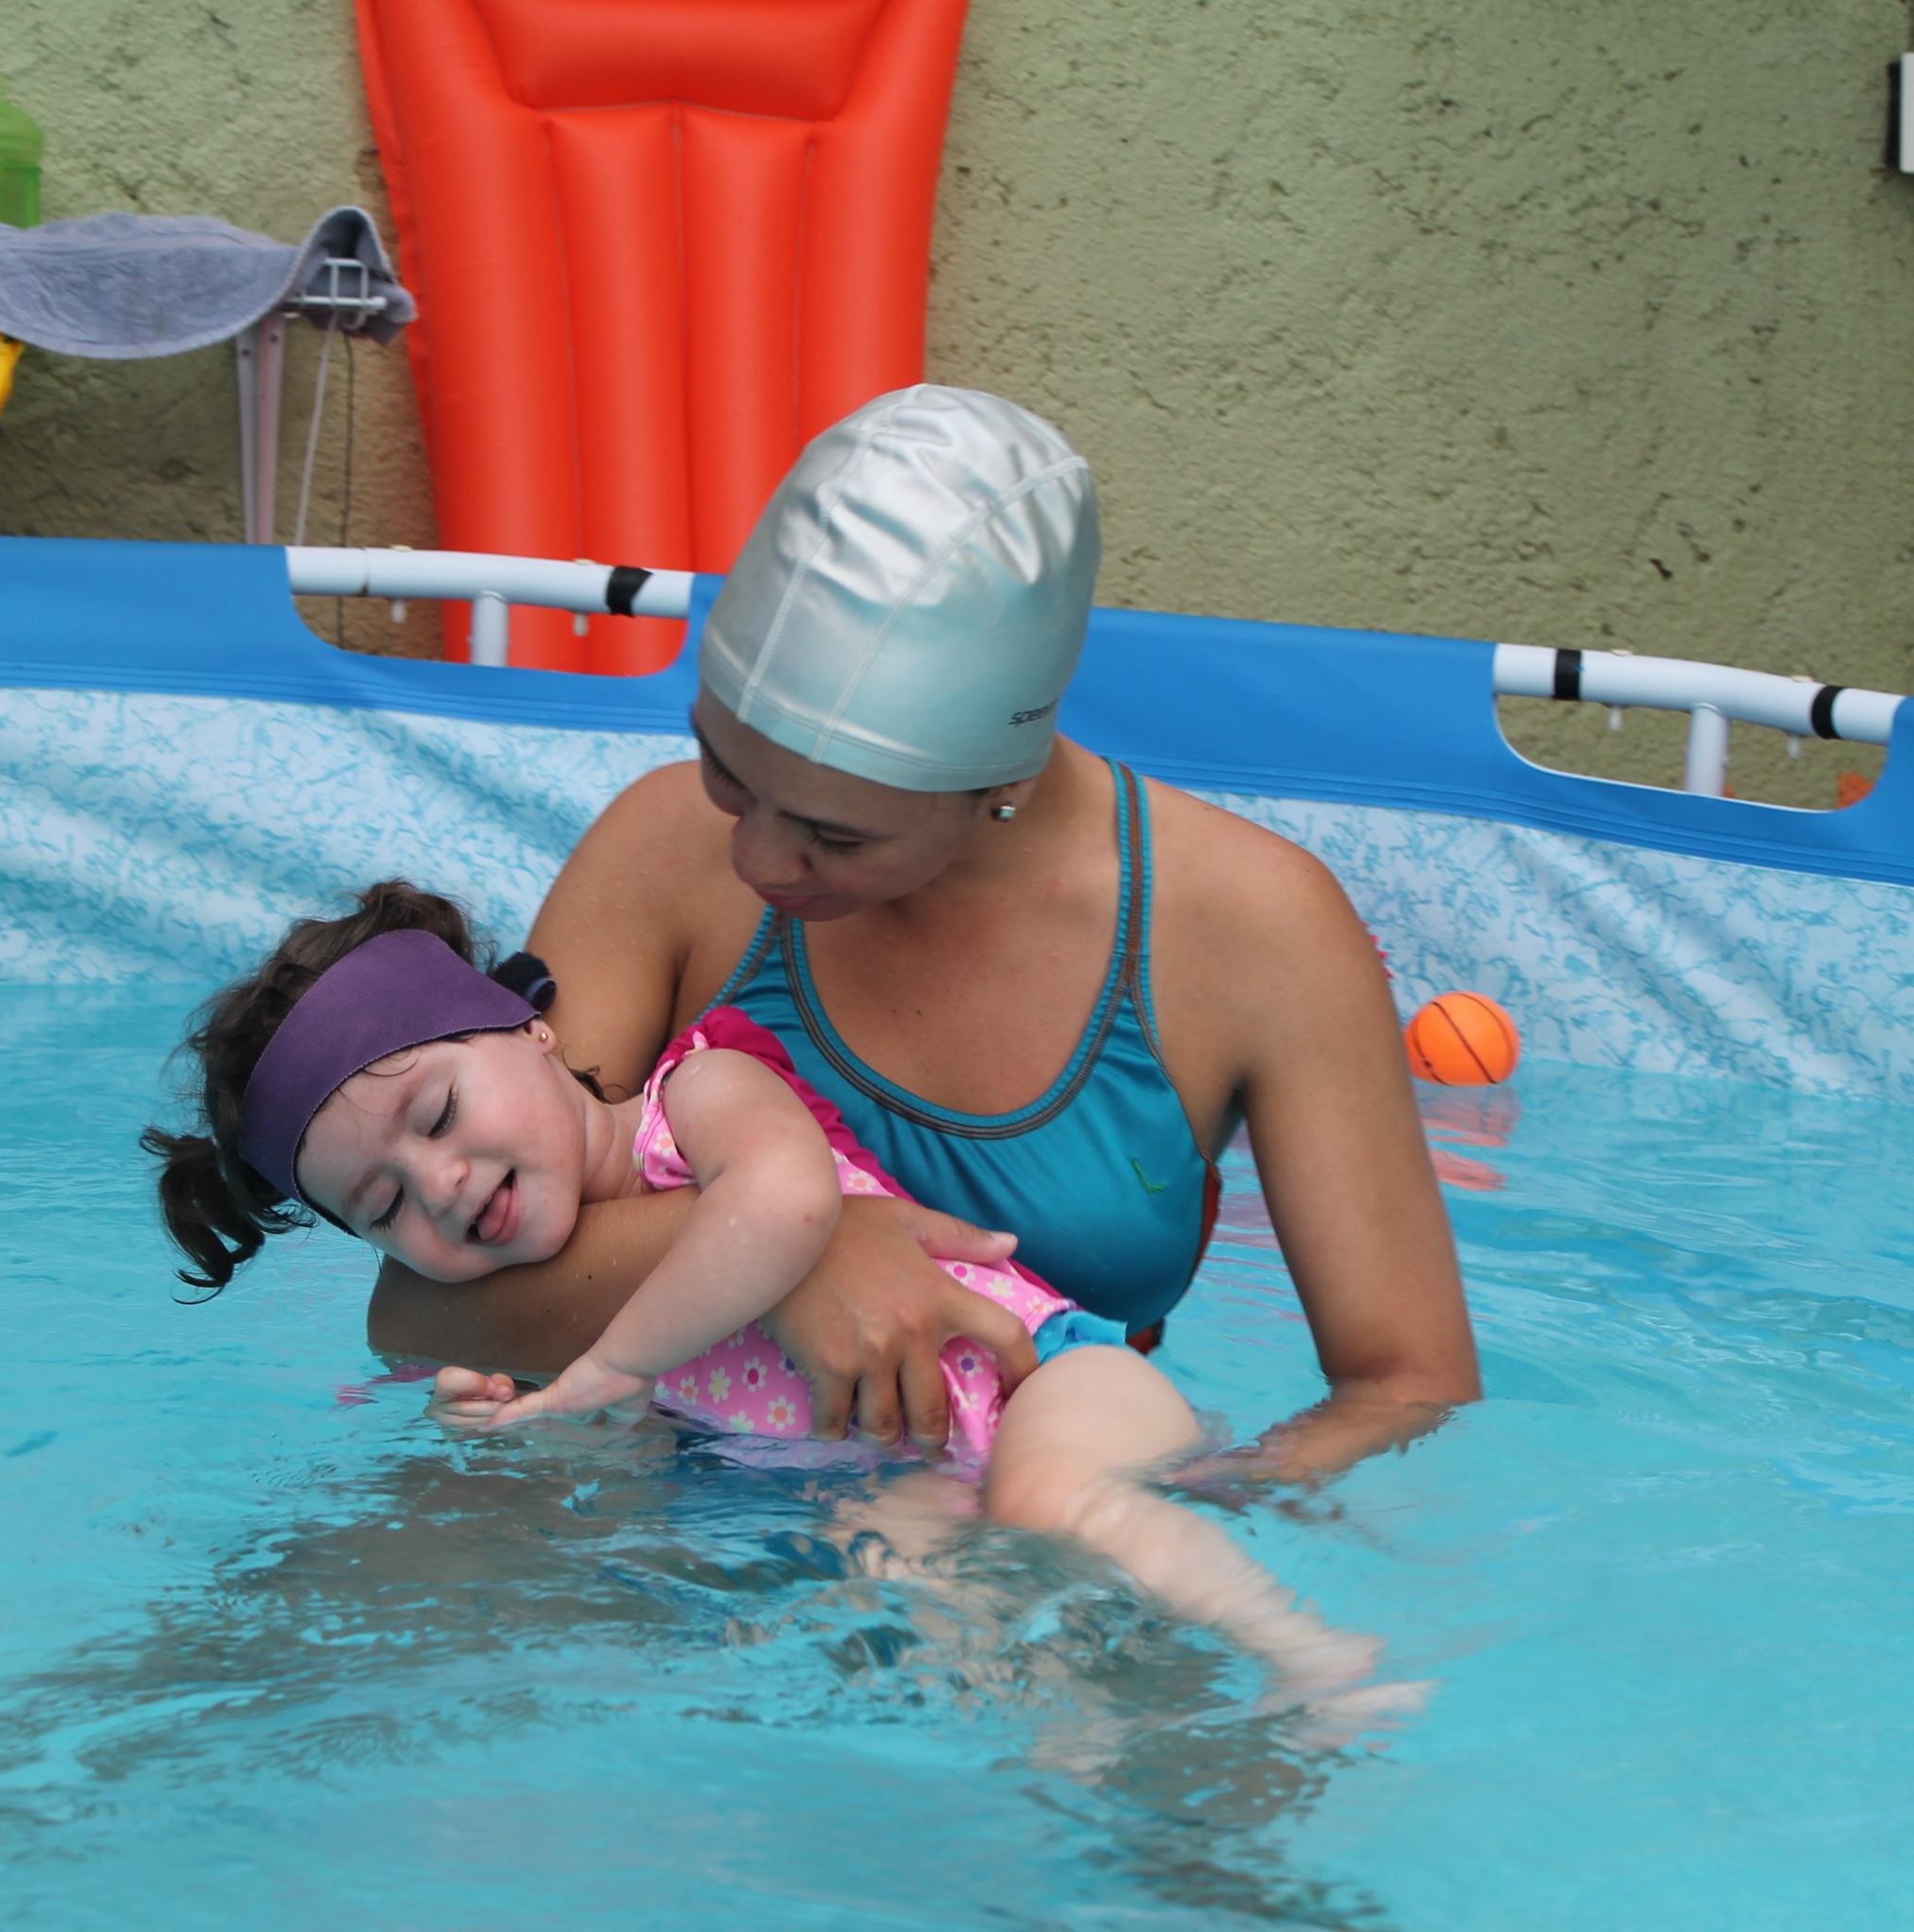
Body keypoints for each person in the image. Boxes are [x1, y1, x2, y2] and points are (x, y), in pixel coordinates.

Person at [366, 385, 1481, 1482]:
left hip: (1016, 1532)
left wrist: (1149, 1523)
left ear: (1000, 778)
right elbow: (418, 1299)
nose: (753, 859)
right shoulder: (662, 850)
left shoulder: (1253, 931)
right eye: (724, 769)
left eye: (833, 835)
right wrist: (789, 1248)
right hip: (657, 1505)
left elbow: (1405, 1388)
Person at [142, 882, 1420, 1726]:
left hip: (1046, 1378)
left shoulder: (693, 1095)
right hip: (900, 1458)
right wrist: (522, 1405)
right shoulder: (529, 1293)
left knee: (1045, 1504)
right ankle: (1075, 1748)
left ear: (529, 1035)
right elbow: (674, 1422)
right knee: (912, 1593)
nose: (442, 1185)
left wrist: (599, 1366)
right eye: (382, 1206)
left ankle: (1310, 1661)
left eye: (434, 1116)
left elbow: (784, 1213)